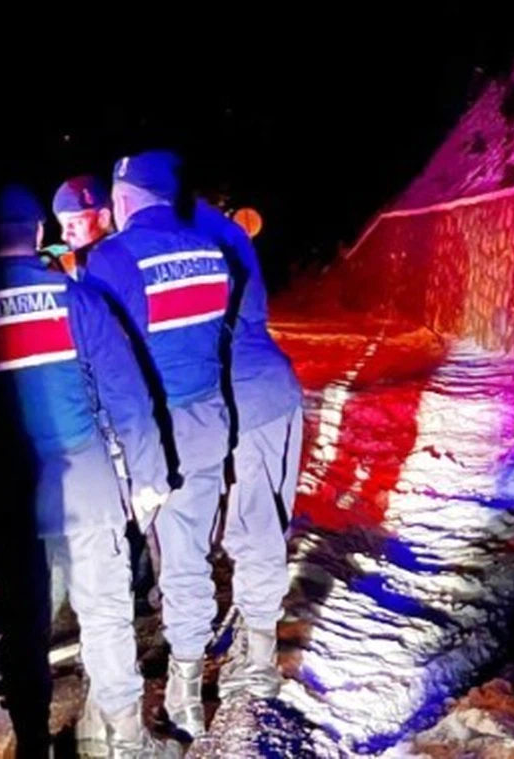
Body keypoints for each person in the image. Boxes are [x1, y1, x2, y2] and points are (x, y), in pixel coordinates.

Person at [0, 184, 175, 757]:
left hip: (8, 498)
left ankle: (32, 743)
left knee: (22, 627)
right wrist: (148, 479)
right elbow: (128, 397)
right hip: (89, 489)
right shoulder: (78, 302)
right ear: (38, 234)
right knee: (106, 618)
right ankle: (127, 740)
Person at [84, 151, 232, 738]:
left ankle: (114, 713)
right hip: (205, 422)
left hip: (140, 434)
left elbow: (99, 352)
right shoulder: (211, 250)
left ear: (123, 197)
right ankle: (186, 694)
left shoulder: (112, 257)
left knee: (110, 568)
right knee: (188, 560)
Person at [193, 199, 302, 700]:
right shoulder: (223, 230)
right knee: (256, 520)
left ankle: (259, 660)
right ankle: (253, 637)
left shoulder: (178, 236)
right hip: (263, 390)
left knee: (251, 524)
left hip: (242, 395)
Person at [51, 175, 116, 276]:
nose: (64, 236)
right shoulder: (63, 266)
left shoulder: (127, 260)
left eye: (74, 223)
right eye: (62, 225)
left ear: (103, 218)